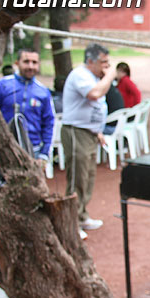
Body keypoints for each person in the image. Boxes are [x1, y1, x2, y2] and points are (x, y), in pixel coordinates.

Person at [61, 43, 116, 240]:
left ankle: (82, 215)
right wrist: (110, 76)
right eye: (103, 63)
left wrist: (98, 131)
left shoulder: (92, 77)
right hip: (77, 132)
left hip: (90, 133)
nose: (106, 67)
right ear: (90, 61)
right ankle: (70, 223)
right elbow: (94, 94)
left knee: (88, 177)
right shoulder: (80, 75)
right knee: (77, 178)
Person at [0, 48, 55, 167]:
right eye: (26, 61)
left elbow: (49, 123)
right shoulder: (1, 86)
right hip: (4, 149)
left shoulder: (43, 92)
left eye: (34, 62)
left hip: (33, 149)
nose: (30, 66)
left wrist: (44, 154)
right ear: (17, 63)